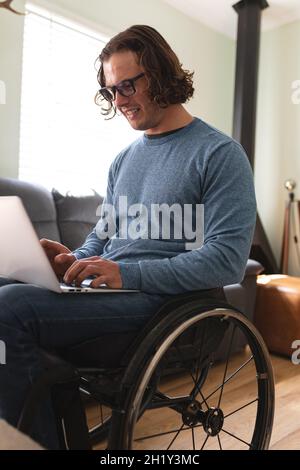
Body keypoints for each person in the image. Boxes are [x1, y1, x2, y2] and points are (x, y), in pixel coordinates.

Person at [0, 25, 256, 448]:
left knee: (8, 309)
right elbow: (103, 237)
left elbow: (227, 260)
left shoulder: (219, 154)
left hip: (162, 305)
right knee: (6, 287)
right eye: (110, 91)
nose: (118, 102)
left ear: (159, 72)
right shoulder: (124, 160)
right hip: (108, 293)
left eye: (127, 86)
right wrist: (72, 261)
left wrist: (125, 274)